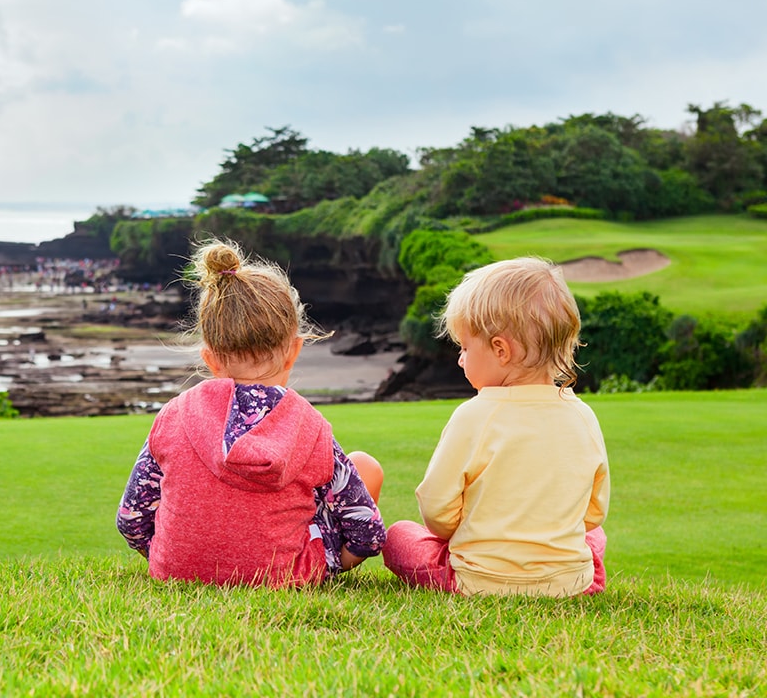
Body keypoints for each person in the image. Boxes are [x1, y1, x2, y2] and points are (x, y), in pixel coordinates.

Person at [116, 239, 386, 587]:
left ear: (209, 358)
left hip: (176, 571)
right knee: (364, 466)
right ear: (294, 350)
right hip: (284, 576)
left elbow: (131, 518)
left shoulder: (174, 414)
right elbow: (367, 531)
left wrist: (170, 555)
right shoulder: (311, 426)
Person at [383, 257, 609, 597]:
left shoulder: (473, 416)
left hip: (477, 579)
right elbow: (594, 512)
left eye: (464, 347)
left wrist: (464, 533)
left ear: (500, 350)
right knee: (595, 537)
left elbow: (436, 509)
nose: (460, 359)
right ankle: (588, 580)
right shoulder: (582, 415)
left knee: (399, 536)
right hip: (567, 583)